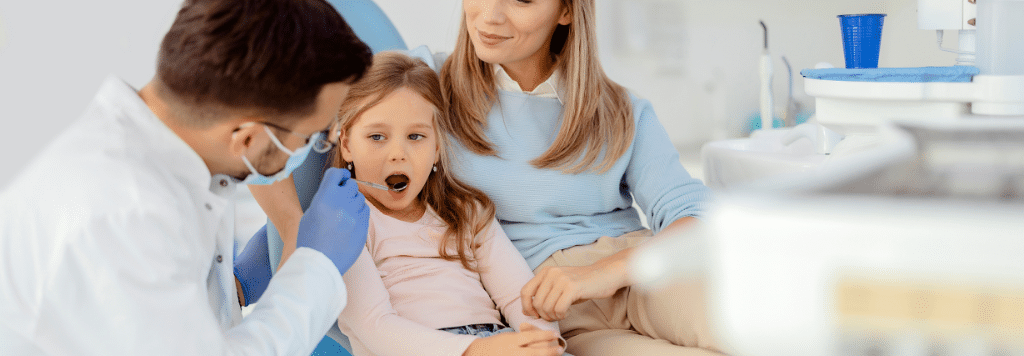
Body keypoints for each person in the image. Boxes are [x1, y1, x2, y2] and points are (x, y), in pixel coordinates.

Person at [256, 0, 723, 354]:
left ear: (565, 11)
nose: (490, 16)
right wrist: (254, 268)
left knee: (763, 321)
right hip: (548, 301)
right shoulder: (421, 83)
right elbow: (278, 131)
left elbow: (698, 218)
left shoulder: (622, 111)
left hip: (641, 266)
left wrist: (605, 273)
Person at [0, 0, 372, 354]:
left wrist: (233, 289)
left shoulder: (184, 159)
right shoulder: (125, 214)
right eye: (315, 136)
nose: (326, 143)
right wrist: (315, 269)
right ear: (246, 137)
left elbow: (160, 322)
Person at [329, 51, 566, 356]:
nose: (398, 153)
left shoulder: (468, 213)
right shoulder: (344, 224)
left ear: (437, 148)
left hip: (496, 342)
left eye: (416, 136)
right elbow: (373, 326)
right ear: (346, 144)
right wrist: (478, 350)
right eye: (377, 137)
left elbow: (520, 297)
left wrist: (540, 341)